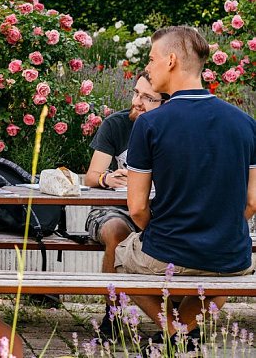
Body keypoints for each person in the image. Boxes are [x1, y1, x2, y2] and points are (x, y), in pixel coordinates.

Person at [119, 26, 256, 349]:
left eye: (151, 60)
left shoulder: (150, 124)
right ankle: (185, 333)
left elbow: (137, 208)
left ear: (170, 61)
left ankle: (172, 331)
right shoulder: (245, 123)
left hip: (169, 248)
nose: (148, 68)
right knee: (226, 274)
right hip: (232, 254)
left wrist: (167, 232)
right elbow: (252, 200)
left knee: (123, 257)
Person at [83, 71, 168, 339]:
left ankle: (176, 320)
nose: (137, 102)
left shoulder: (173, 130)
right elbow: (91, 176)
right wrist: (108, 178)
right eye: (135, 93)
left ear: (166, 104)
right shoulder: (117, 124)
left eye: (148, 98)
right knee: (118, 232)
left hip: (159, 208)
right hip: (112, 208)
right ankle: (113, 318)